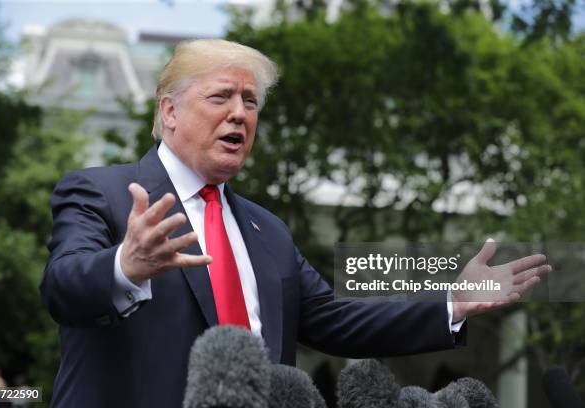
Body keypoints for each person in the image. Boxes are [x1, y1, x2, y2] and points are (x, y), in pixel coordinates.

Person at [40, 39, 548, 407]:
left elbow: (336, 321)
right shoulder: (101, 192)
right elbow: (62, 287)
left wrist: (452, 303)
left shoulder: (268, 231)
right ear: (169, 111)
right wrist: (125, 267)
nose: (240, 114)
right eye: (221, 97)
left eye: (251, 101)